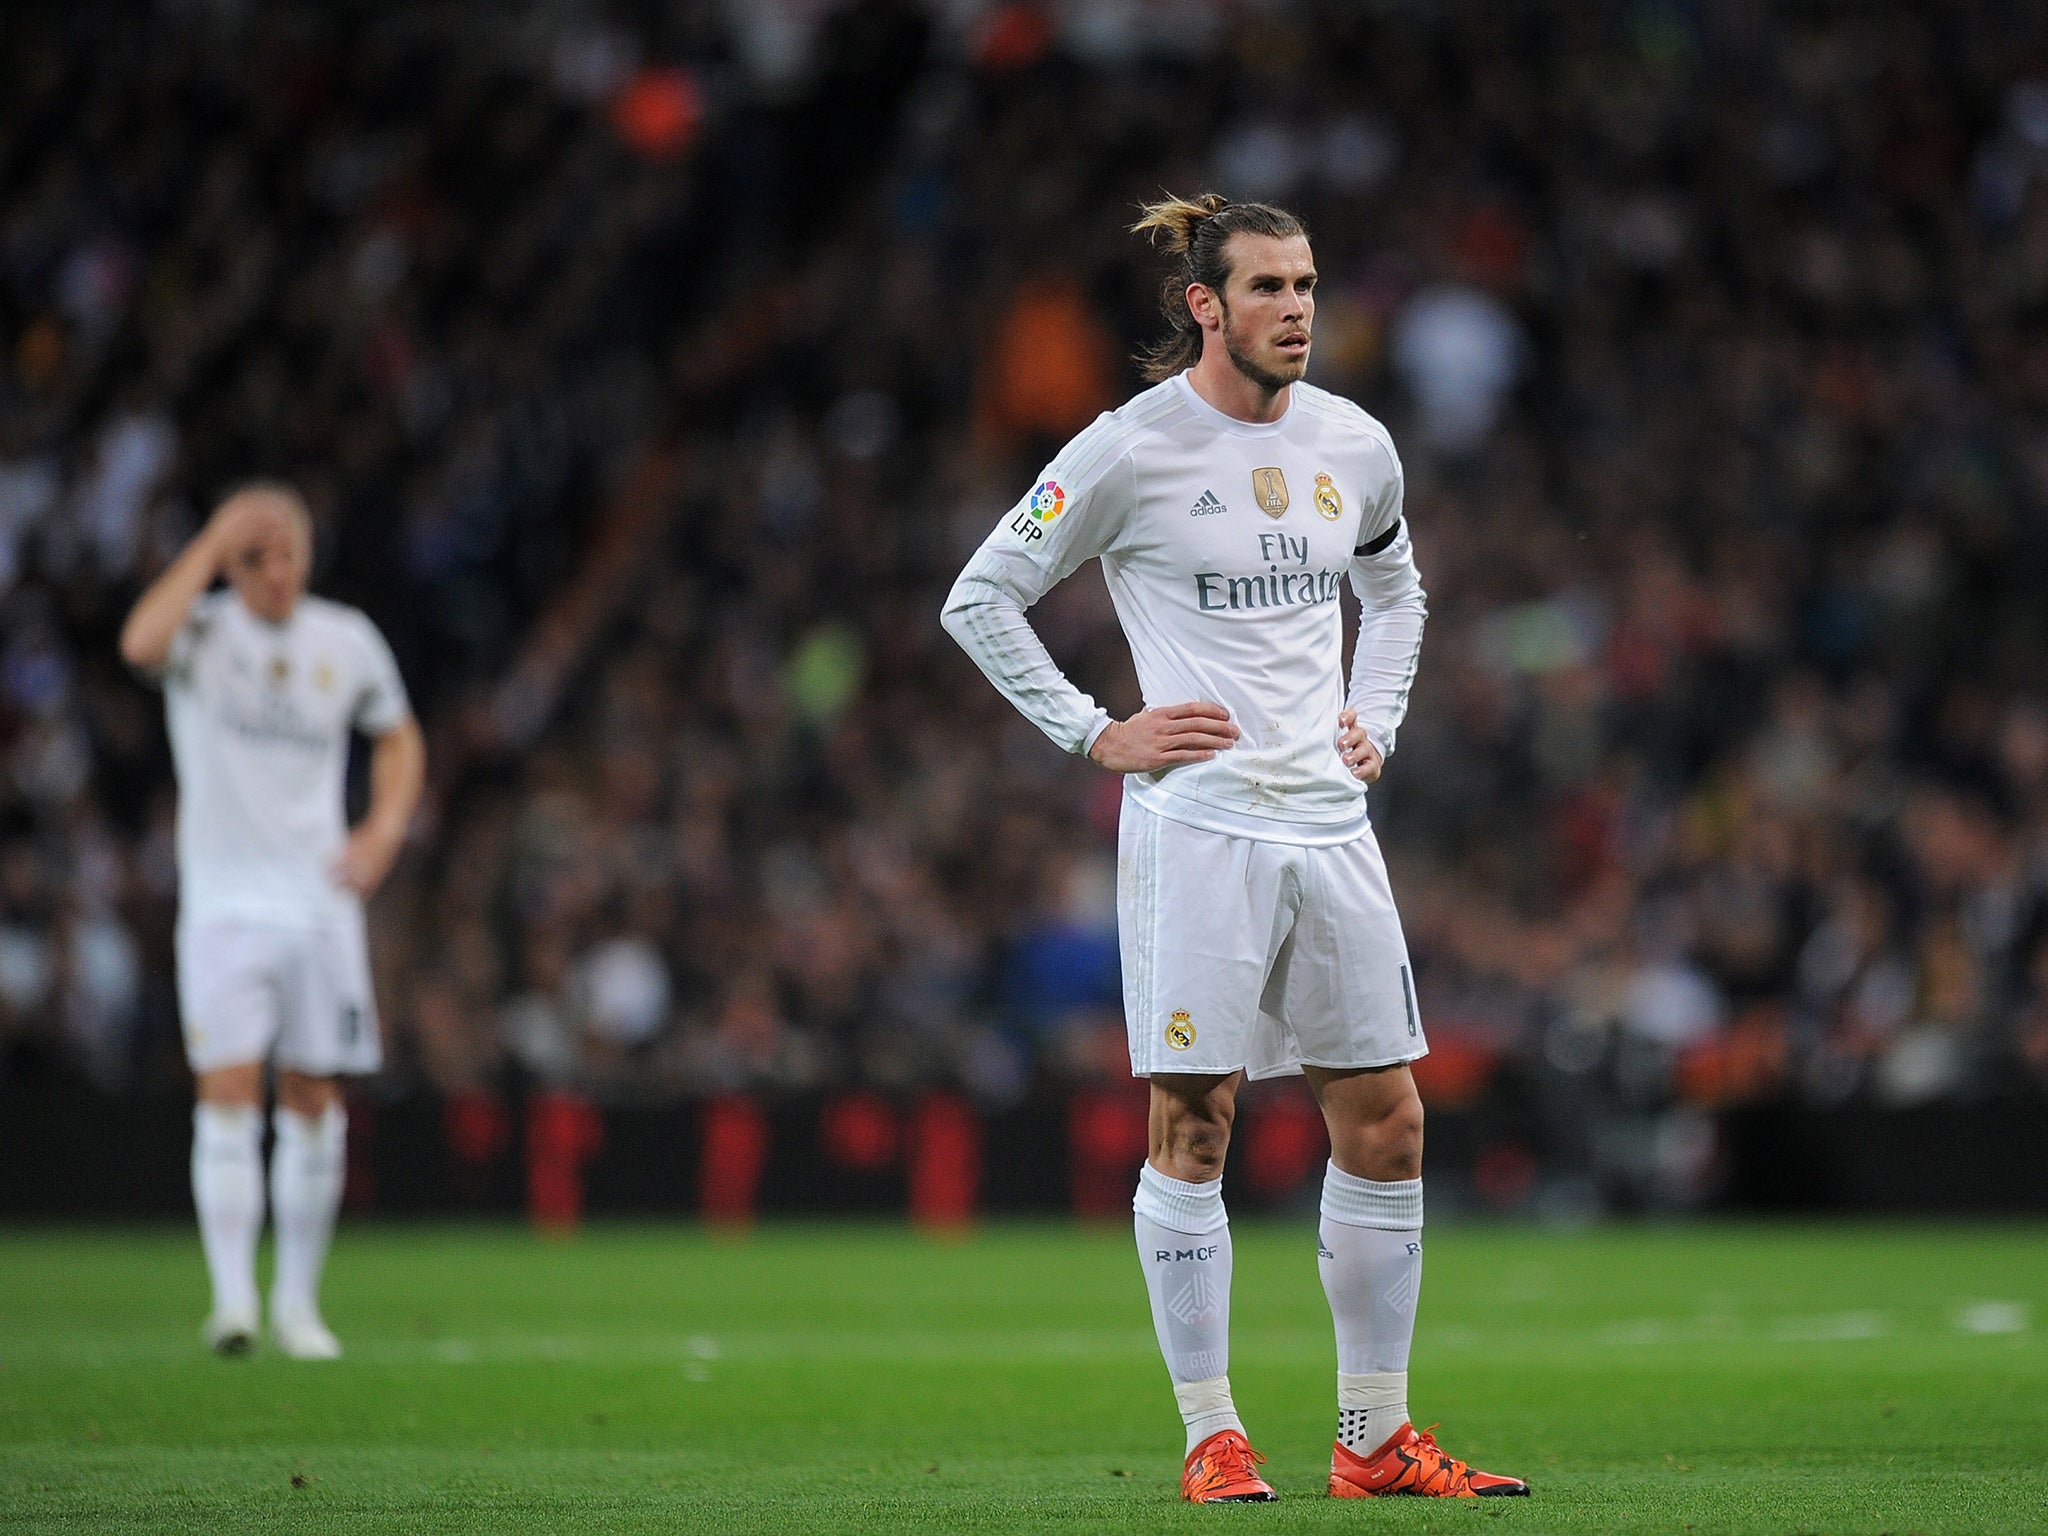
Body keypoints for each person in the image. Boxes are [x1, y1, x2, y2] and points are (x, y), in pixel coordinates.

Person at [942, 195, 1528, 1501]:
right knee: (1194, 1126)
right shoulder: (1127, 450)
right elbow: (979, 595)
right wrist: (1095, 733)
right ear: (1205, 305)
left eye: (1309, 285)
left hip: (1330, 823)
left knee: (1388, 1124)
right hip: (1198, 829)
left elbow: (1397, 588)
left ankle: (1374, 1439)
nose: (1298, 309)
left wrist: (1374, 721)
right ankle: (1213, 1434)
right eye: (1268, 287)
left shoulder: (1356, 446)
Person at [120, 482, 424, 1359]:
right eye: (257, 559)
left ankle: (297, 1303)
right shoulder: (204, 632)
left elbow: (400, 737)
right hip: (224, 906)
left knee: (314, 1098)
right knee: (226, 1092)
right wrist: (213, 539)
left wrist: (384, 831)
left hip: (320, 904)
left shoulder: (347, 639)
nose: (277, 573)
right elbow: (138, 642)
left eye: (287, 553)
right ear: (231, 566)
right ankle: (232, 1303)